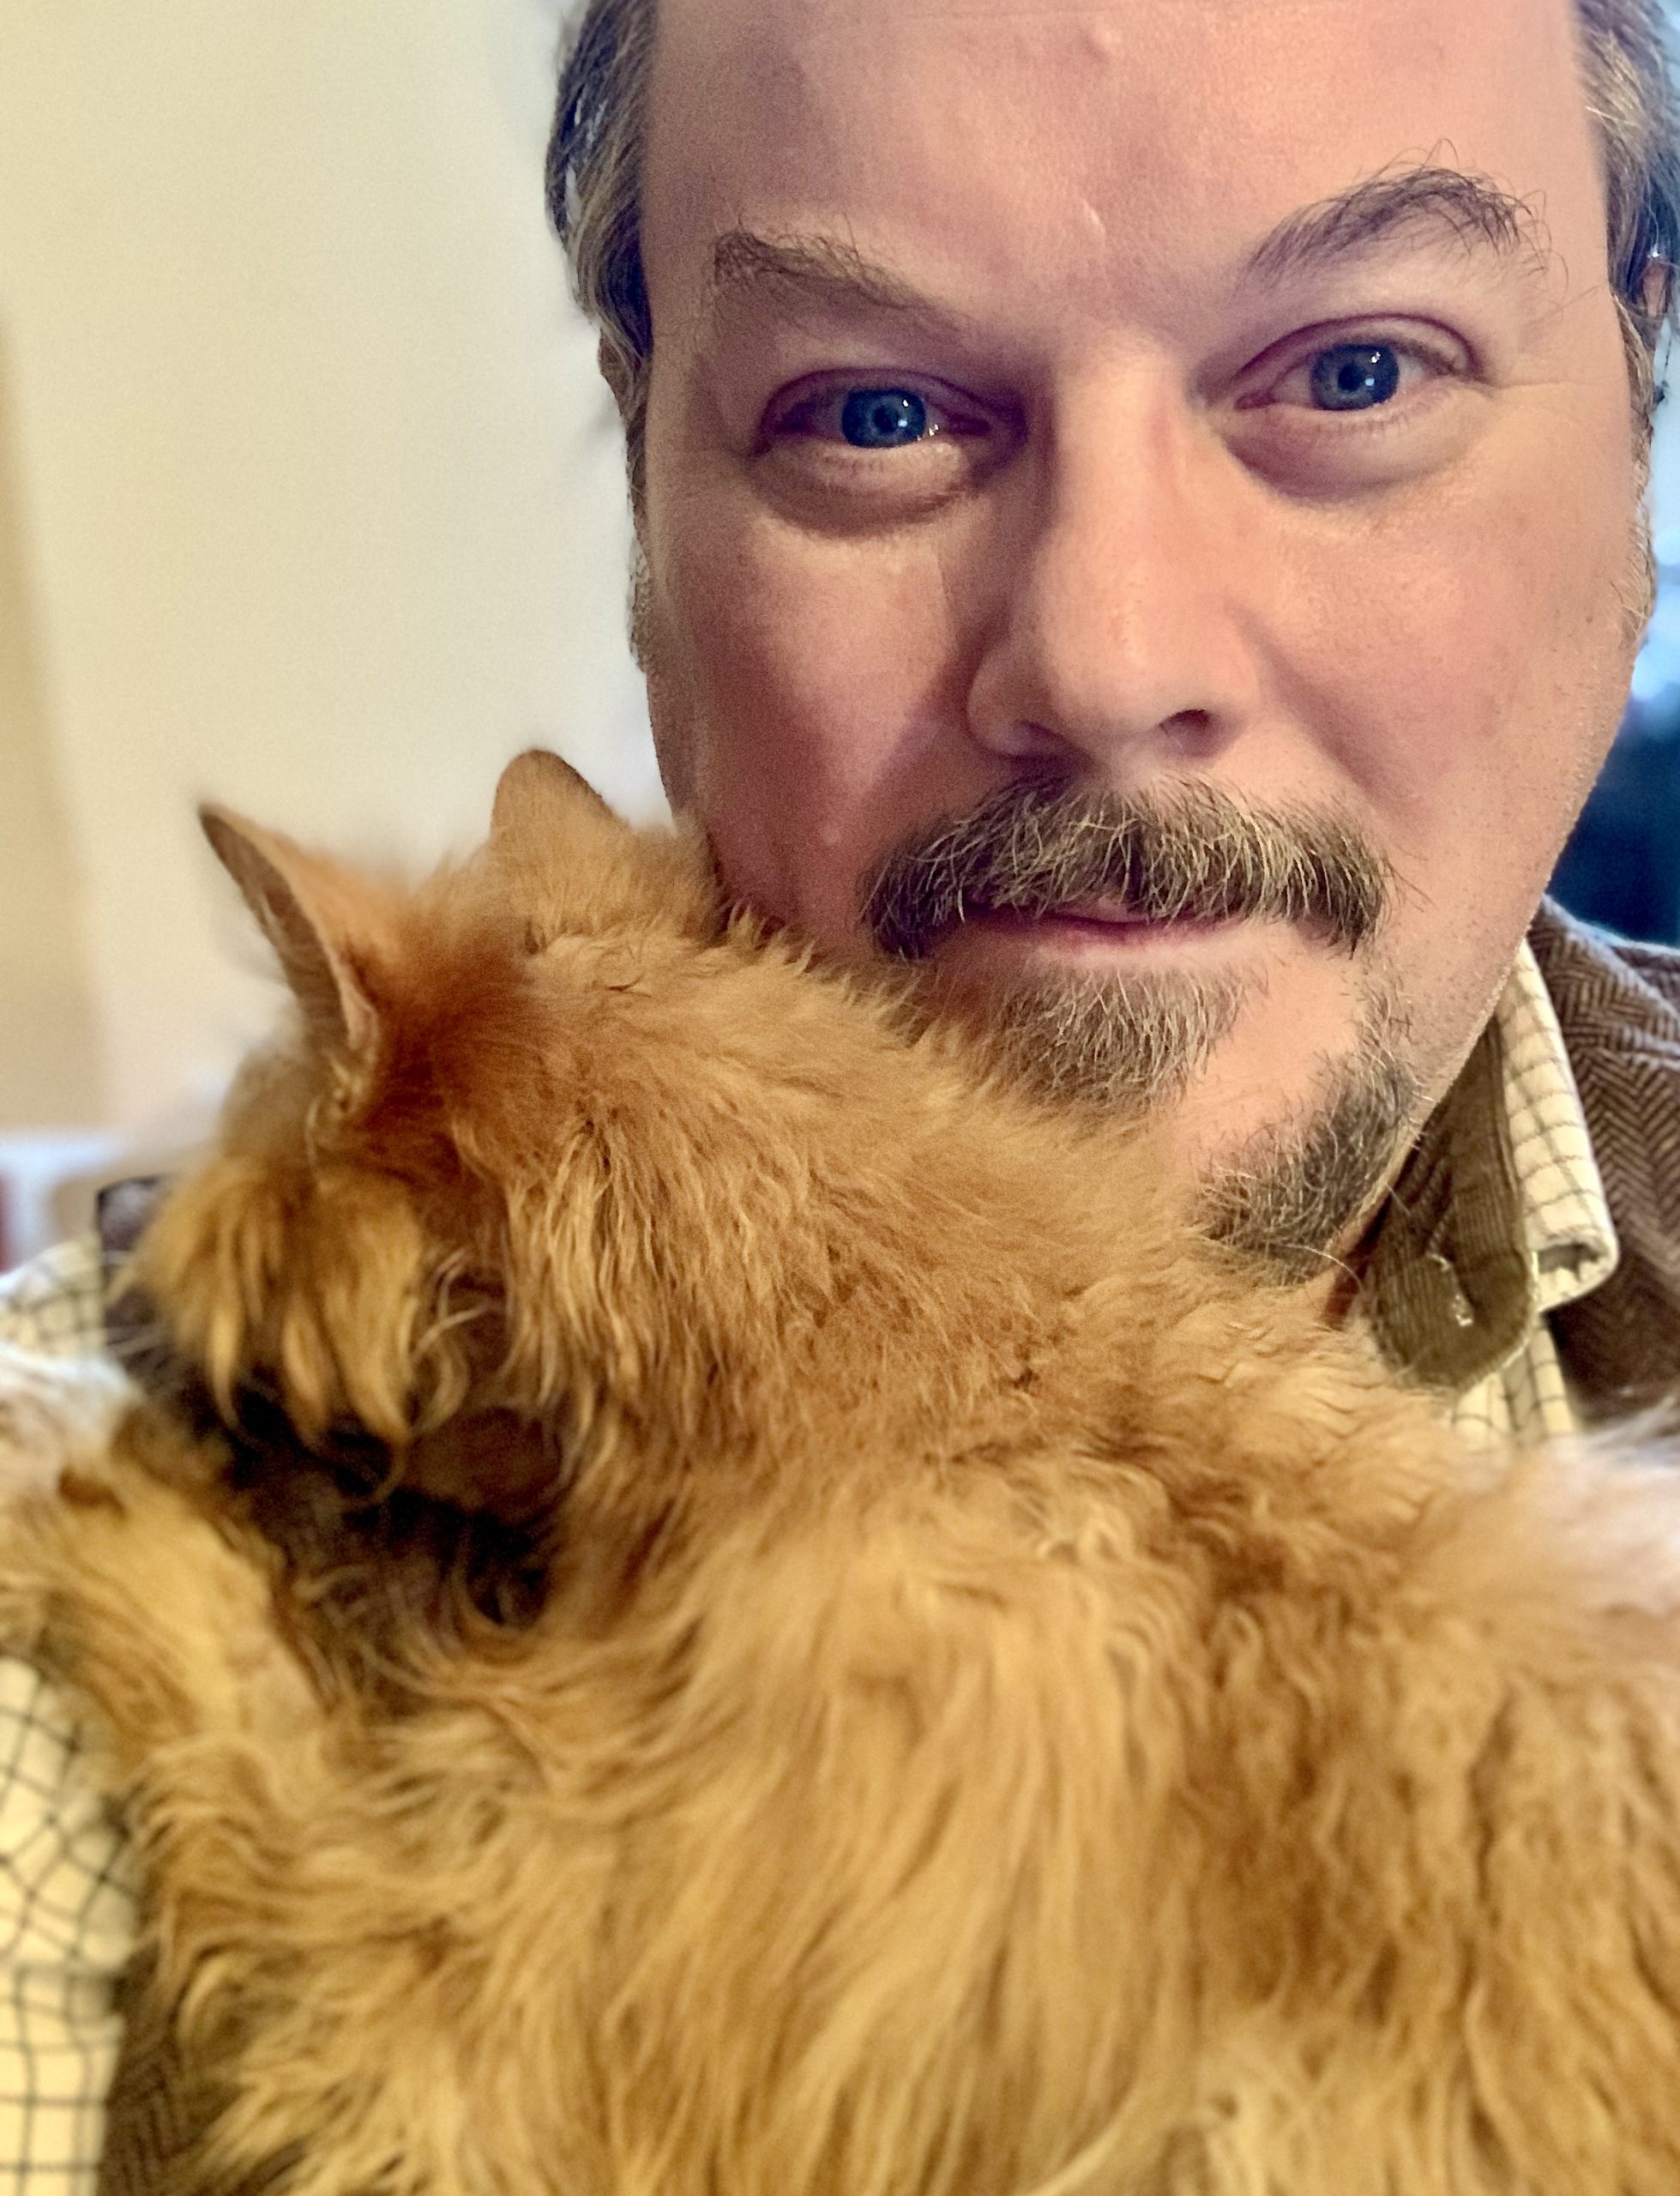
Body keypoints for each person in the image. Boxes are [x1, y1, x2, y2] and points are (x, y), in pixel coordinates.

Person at [4, 0, 1680, 2183]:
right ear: (646, 507)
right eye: (870, 411)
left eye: (1355, 370)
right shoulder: (74, 1591)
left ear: (1640, 406)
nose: (1104, 658)